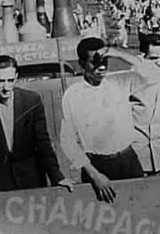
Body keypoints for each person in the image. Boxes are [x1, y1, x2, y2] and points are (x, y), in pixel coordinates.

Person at [0, 55, 74, 203]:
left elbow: (43, 143)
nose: (6, 87)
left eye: (10, 80)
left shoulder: (32, 101)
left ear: (16, 77)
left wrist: (58, 177)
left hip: (32, 179)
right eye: (0, 81)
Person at [60, 37, 154, 203]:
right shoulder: (73, 95)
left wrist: (117, 53)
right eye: (94, 63)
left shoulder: (120, 81)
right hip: (96, 166)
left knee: (140, 208)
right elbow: (68, 141)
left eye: (105, 61)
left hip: (128, 160)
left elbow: (154, 74)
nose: (101, 67)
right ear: (82, 64)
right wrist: (95, 175)